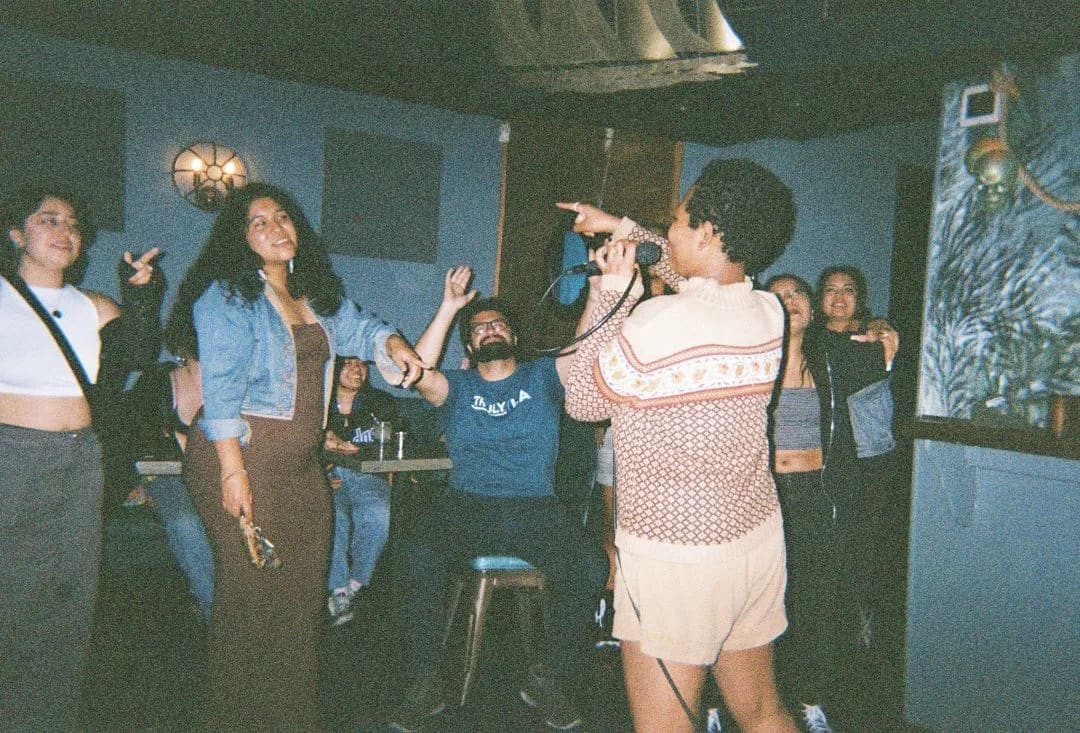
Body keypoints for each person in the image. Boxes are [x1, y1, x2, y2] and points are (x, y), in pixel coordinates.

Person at [168, 182, 426, 731]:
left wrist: (392, 343)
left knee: (302, 601)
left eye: (282, 217)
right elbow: (220, 389)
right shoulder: (227, 296)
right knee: (250, 600)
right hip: (241, 458)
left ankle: (290, 718)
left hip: (301, 468)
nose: (276, 228)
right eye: (258, 222)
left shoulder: (314, 295)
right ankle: (237, 720)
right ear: (240, 238)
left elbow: (361, 326)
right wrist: (233, 473)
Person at [560, 158, 800, 733]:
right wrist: (621, 227)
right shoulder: (768, 310)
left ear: (709, 232)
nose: (668, 230)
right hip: (752, 540)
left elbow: (582, 401)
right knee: (762, 713)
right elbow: (692, 272)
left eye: (676, 219)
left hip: (676, 556)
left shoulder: (658, 323)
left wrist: (612, 293)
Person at [388, 266, 604, 733]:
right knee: (418, 557)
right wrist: (450, 306)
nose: (489, 329)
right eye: (478, 327)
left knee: (589, 567)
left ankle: (546, 677)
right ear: (469, 346)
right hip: (466, 504)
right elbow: (415, 370)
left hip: (535, 506)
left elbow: (583, 345)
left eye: (498, 324)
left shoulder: (543, 377)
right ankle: (426, 682)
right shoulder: (456, 387)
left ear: (513, 336)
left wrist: (596, 292)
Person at [0, 184, 161, 730]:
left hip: (79, 462)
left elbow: (140, 351)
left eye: (72, 224)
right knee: (10, 596)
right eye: (48, 220)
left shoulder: (93, 306)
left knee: (68, 601)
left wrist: (140, 293)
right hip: (11, 457)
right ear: (17, 234)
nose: (65, 231)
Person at [126, 350, 214, 620]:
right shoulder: (156, 382)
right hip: (166, 474)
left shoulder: (235, 379)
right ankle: (217, 615)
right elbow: (132, 440)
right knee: (185, 522)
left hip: (218, 475)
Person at [322, 355, 398, 626]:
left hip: (367, 475)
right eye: (349, 363)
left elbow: (393, 447)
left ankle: (353, 585)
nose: (357, 369)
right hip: (328, 476)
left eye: (362, 364)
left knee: (378, 515)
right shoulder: (317, 402)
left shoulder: (380, 403)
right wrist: (317, 476)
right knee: (335, 519)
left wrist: (388, 479)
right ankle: (338, 590)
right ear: (334, 367)